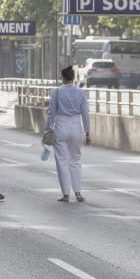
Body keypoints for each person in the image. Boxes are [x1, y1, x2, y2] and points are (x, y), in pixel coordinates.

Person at [46, 66, 91, 203]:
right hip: (76, 126)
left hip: (61, 125)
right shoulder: (80, 92)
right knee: (75, 160)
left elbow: (51, 112)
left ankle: (66, 194)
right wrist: (87, 132)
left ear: (63, 77)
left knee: (62, 161)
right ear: (73, 77)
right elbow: (85, 114)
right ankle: (78, 193)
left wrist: (47, 129)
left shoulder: (57, 92)